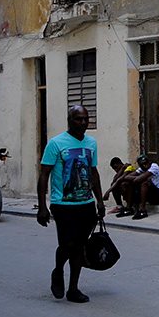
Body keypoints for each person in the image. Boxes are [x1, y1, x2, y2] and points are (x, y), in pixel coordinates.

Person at [37, 105, 105, 304]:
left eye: (85, 119)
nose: (83, 123)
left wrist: (100, 200)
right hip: (63, 204)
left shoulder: (91, 143)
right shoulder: (56, 144)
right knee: (67, 245)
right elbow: (44, 175)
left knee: (80, 246)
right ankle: (58, 271)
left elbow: (93, 173)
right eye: (78, 119)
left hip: (86, 203)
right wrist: (42, 206)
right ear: (69, 120)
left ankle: (73, 288)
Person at [120, 154, 159, 220]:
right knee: (126, 183)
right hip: (150, 195)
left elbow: (138, 179)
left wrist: (140, 177)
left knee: (144, 183)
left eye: (146, 163)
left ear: (149, 162)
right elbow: (126, 177)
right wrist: (140, 176)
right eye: (142, 165)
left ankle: (142, 209)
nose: (145, 166)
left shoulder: (154, 167)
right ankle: (129, 208)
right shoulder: (142, 169)